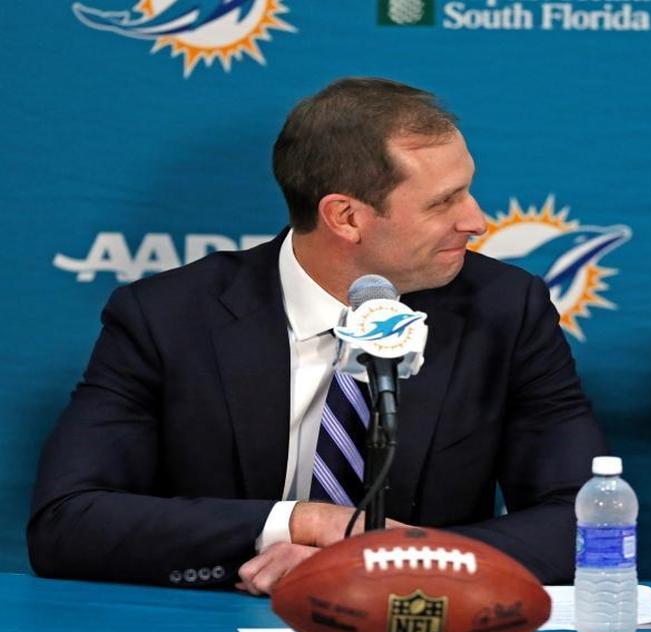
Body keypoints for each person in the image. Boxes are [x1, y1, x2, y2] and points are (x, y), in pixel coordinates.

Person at [27, 78, 606, 592]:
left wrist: (395, 558)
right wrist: (304, 523)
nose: (476, 220)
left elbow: (590, 520)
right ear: (346, 217)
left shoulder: (506, 309)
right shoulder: (166, 318)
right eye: (443, 202)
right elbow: (66, 520)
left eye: (467, 189)